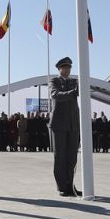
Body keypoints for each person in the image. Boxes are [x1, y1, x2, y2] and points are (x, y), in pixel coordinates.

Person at [49, 57, 80, 197]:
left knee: (72, 157)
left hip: (73, 124)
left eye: (69, 67)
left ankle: (70, 185)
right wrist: (72, 92)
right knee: (60, 156)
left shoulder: (74, 82)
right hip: (59, 124)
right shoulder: (54, 81)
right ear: (59, 69)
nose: (67, 70)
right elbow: (55, 95)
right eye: (65, 67)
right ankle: (61, 186)